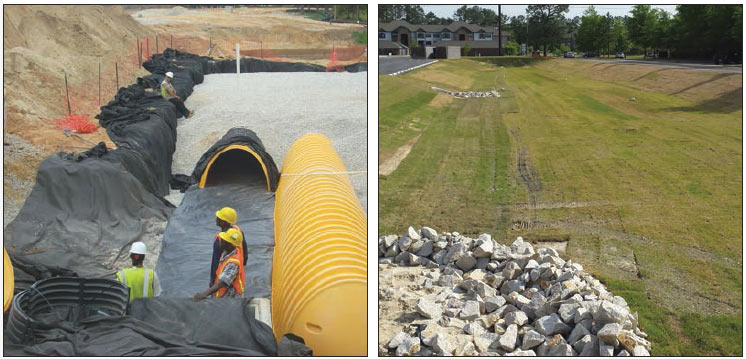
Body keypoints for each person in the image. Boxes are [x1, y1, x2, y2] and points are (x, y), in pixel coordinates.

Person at [193, 227, 245, 300]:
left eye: (223, 240)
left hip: (230, 298)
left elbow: (222, 282)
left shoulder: (234, 263)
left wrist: (204, 294)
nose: (220, 241)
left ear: (229, 245)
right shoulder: (227, 252)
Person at [211, 207, 248, 287]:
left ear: (224, 222)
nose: (216, 218)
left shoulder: (220, 240)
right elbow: (245, 250)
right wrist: (242, 264)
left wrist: (212, 281)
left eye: (219, 217)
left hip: (224, 275)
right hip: (237, 271)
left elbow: (215, 261)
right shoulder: (238, 231)